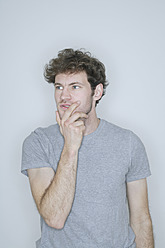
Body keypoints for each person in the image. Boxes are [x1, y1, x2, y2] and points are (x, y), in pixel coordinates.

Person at [21, 48, 154, 248]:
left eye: (74, 87)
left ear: (96, 92)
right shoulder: (38, 142)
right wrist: (71, 147)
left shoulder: (128, 143)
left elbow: (141, 218)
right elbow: (54, 218)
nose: (64, 96)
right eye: (59, 87)